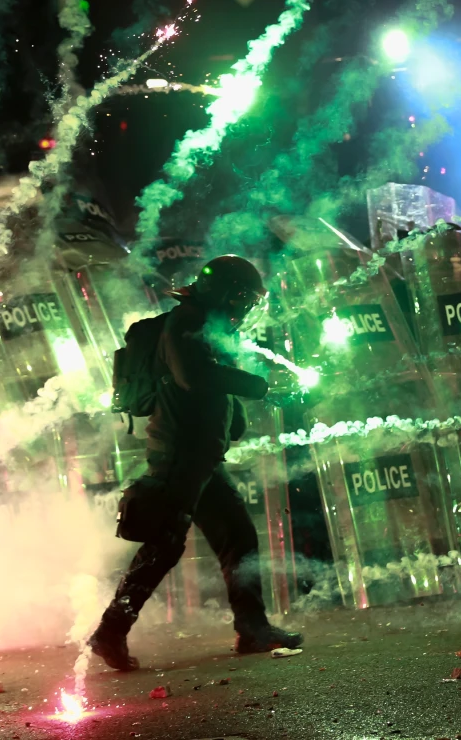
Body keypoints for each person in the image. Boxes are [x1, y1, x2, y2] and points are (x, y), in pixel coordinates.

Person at [89, 255, 301, 671]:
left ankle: (253, 628)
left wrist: (234, 417)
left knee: (237, 537)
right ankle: (110, 631)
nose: (245, 307)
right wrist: (261, 386)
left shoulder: (205, 325)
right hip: (180, 454)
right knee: (164, 543)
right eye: (241, 297)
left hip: (199, 456)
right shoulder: (185, 321)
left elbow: (210, 382)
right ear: (223, 293)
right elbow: (194, 376)